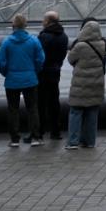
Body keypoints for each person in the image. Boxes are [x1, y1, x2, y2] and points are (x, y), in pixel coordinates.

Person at [0, 13, 44, 146]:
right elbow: (40, 59)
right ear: (25, 25)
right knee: (32, 109)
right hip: (30, 79)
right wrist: (34, 71)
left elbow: (1, 62)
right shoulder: (34, 41)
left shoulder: (6, 42)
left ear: (13, 25)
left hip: (12, 80)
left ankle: (14, 139)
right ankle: (35, 137)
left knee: (13, 110)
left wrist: (6, 73)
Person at [65, 19, 106, 150]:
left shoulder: (80, 46)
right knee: (92, 113)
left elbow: (70, 59)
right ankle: (90, 142)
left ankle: (73, 141)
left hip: (80, 85)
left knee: (75, 112)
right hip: (97, 83)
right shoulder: (102, 44)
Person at [37, 10, 69, 142]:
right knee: (54, 102)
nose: (42, 22)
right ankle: (55, 131)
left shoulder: (44, 36)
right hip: (56, 71)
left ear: (48, 21)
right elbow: (62, 55)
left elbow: (39, 56)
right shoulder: (64, 36)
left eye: (43, 20)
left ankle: (39, 131)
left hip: (43, 73)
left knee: (40, 103)